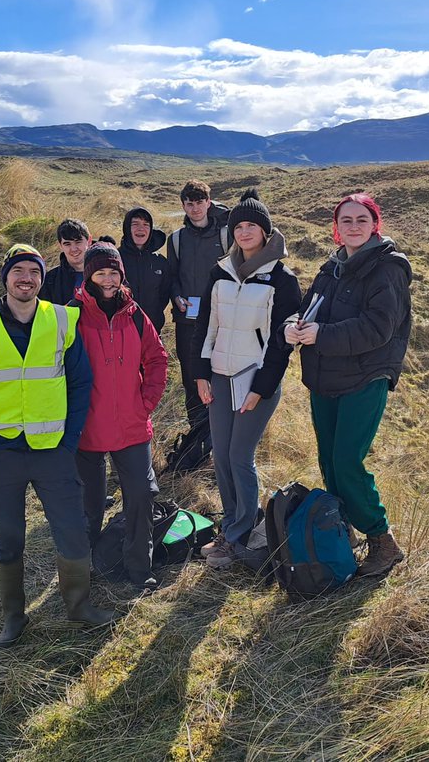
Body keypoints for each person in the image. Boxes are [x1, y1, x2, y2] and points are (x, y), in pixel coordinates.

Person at [0, 243, 116, 648]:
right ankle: (14, 618)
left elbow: (81, 384)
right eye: (18, 271)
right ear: (6, 277)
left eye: (34, 272)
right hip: (0, 454)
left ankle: (78, 608)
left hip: (53, 453)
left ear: (42, 280)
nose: (26, 278)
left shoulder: (62, 320)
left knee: (72, 532)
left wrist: (70, 441)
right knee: (8, 537)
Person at [284, 193, 412, 578]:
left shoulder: (388, 269)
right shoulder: (332, 267)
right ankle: (344, 531)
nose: (353, 226)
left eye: (361, 219)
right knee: (329, 461)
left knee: (347, 462)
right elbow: (310, 309)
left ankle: (382, 541)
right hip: (326, 377)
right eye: (346, 220)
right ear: (336, 228)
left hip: (364, 377)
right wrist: (294, 325)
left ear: (376, 224)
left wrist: (320, 334)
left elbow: (379, 328)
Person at [191, 189, 301, 568]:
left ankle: (237, 534)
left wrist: (261, 387)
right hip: (219, 376)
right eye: (238, 226)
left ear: (266, 232)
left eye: (252, 225)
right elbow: (206, 326)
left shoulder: (282, 280)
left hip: (254, 380)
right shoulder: (219, 272)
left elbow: (280, 344)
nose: (244, 232)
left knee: (240, 455)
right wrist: (201, 375)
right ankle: (235, 524)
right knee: (221, 455)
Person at [71, 243, 169, 589]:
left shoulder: (136, 314)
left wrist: (145, 403)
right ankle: (81, 572)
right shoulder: (72, 316)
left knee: (141, 496)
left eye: (114, 272)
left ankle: (139, 570)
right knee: (88, 506)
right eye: (101, 272)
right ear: (89, 276)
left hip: (131, 427)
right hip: (87, 430)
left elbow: (157, 359)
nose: (109, 280)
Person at [165, 180, 230, 471]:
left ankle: (223, 440)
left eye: (198, 202)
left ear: (209, 202)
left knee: (220, 378)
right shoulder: (177, 239)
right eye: (188, 203)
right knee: (192, 379)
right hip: (188, 321)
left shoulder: (227, 234)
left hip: (222, 321)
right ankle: (198, 441)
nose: (194, 208)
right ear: (183, 205)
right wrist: (176, 296)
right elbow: (173, 276)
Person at [119, 206, 172, 333]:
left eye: (146, 224)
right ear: (127, 228)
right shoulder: (115, 259)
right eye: (135, 224)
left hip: (152, 330)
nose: (141, 228)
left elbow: (164, 294)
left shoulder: (160, 262)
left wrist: (155, 315)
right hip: (122, 332)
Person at [39, 218, 91, 305]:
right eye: (67, 244)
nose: (74, 249)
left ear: (89, 241)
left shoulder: (106, 274)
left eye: (78, 242)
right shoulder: (49, 280)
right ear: (60, 246)